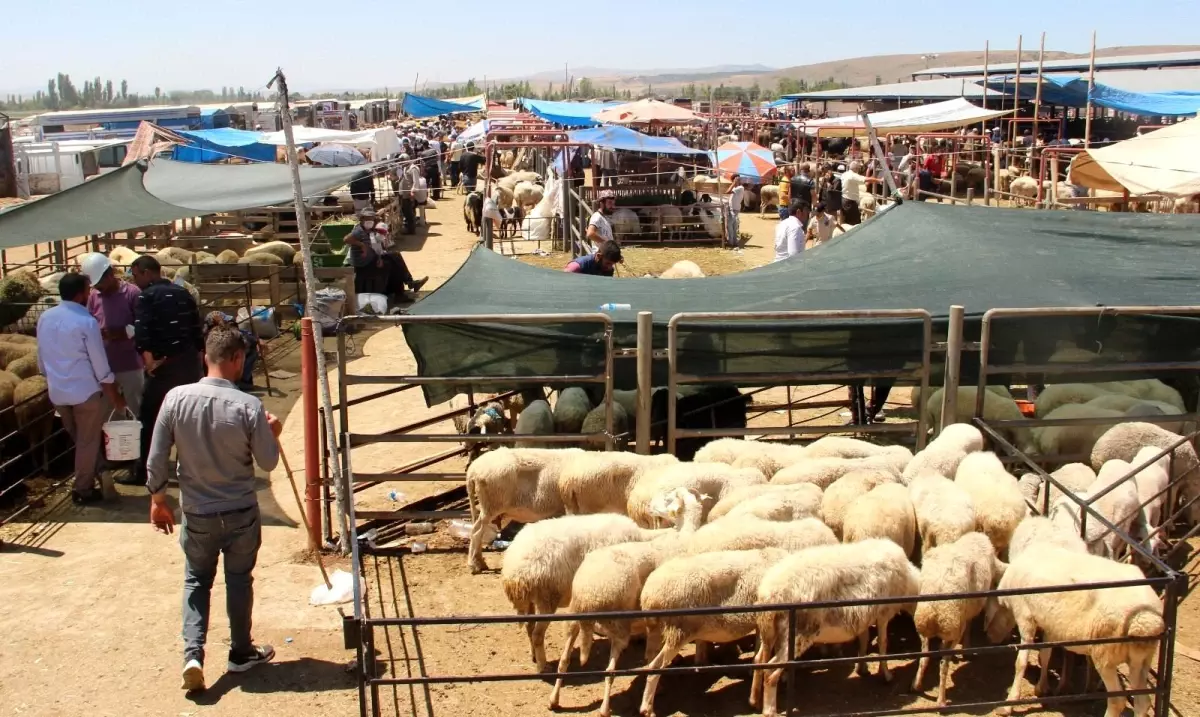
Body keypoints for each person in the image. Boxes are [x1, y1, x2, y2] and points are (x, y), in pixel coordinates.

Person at [147, 325, 283, 692]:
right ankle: (240, 652)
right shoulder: (249, 405)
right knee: (238, 580)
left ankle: (193, 653)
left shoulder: (175, 399)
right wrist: (274, 431)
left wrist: (158, 500)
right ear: (237, 358)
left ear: (205, 356)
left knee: (196, 579)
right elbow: (268, 463)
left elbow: (157, 456)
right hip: (240, 510)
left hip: (198, 511)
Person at [37, 273, 128, 504]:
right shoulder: (86, 322)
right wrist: (113, 393)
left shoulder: (45, 317)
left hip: (57, 391)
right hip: (84, 392)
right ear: (81, 294)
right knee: (87, 441)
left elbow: (41, 358)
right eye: (88, 290)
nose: (90, 294)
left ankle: (98, 471)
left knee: (80, 439)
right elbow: (99, 364)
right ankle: (83, 489)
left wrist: (51, 378)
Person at [131, 255, 204, 489]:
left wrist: (149, 361)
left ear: (146, 272)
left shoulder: (147, 297)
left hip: (165, 366)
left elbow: (142, 332)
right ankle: (190, 469)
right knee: (186, 417)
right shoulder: (184, 293)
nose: (135, 281)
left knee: (150, 419)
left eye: (135, 275)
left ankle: (145, 470)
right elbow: (196, 327)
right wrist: (198, 360)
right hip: (188, 363)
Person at [82, 252, 144, 419]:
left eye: (100, 283)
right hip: (105, 366)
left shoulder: (132, 293)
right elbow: (89, 320)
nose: (98, 287)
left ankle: (139, 442)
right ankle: (116, 444)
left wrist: (121, 333)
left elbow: (143, 325)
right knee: (111, 413)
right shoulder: (94, 296)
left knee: (135, 407)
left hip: (130, 363)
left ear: (110, 274)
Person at [344, 208, 427, 300]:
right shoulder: (359, 230)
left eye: (371, 218)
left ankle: (407, 285)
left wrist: (379, 258)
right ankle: (405, 288)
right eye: (367, 219)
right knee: (393, 262)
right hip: (363, 263)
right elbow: (346, 239)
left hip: (371, 259)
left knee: (395, 257)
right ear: (362, 219)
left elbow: (375, 248)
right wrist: (362, 245)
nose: (369, 221)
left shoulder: (371, 231)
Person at [203, 312, 263, 391]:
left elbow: (247, 335)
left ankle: (243, 381)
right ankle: (241, 381)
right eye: (228, 323)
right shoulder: (210, 337)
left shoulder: (232, 333)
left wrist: (256, 340)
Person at [396, 156, 422, 234]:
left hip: (409, 194)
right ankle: (408, 227)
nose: (401, 162)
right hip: (403, 193)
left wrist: (413, 192)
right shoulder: (405, 168)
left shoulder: (413, 168)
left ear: (406, 160)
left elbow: (416, 181)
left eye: (402, 161)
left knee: (409, 212)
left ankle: (411, 230)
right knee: (405, 211)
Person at [840, 161, 868, 225]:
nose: (858, 170)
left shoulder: (844, 174)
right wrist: (879, 180)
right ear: (856, 169)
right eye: (858, 168)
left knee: (845, 220)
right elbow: (866, 179)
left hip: (843, 199)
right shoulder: (853, 175)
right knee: (854, 222)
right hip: (850, 202)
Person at [727, 174, 744, 247]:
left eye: (738, 179)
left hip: (734, 209)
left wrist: (733, 183)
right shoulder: (737, 188)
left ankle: (731, 241)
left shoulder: (740, 188)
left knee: (730, 225)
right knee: (733, 225)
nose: (738, 181)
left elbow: (727, 191)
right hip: (733, 208)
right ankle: (734, 242)